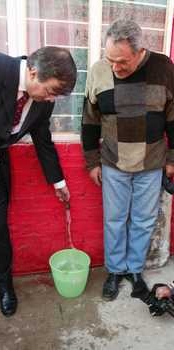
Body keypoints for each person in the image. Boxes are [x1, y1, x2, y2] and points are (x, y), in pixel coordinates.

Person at [0, 46, 77, 324]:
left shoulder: (43, 101)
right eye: (52, 90)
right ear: (33, 72)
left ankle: (4, 284)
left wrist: (59, 182)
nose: (52, 98)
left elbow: (43, 142)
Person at [81, 19, 174, 301]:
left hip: (151, 161)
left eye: (121, 61)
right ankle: (115, 270)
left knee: (144, 220)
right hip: (112, 162)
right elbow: (89, 120)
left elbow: (173, 118)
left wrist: (172, 158)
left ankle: (134, 270)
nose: (115, 67)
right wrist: (92, 161)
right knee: (114, 219)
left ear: (139, 51)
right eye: (110, 59)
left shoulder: (164, 68)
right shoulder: (99, 71)